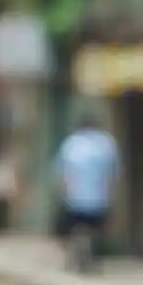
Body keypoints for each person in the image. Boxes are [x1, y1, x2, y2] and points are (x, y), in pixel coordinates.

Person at [53, 111, 120, 260]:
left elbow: (62, 173)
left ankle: (75, 252)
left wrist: (64, 192)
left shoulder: (71, 144)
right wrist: (110, 194)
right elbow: (113, 174)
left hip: (75, 200)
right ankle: (94, 252)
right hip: (99, 200)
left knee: (64, 229)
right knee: (98, 229)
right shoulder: (107, 144)